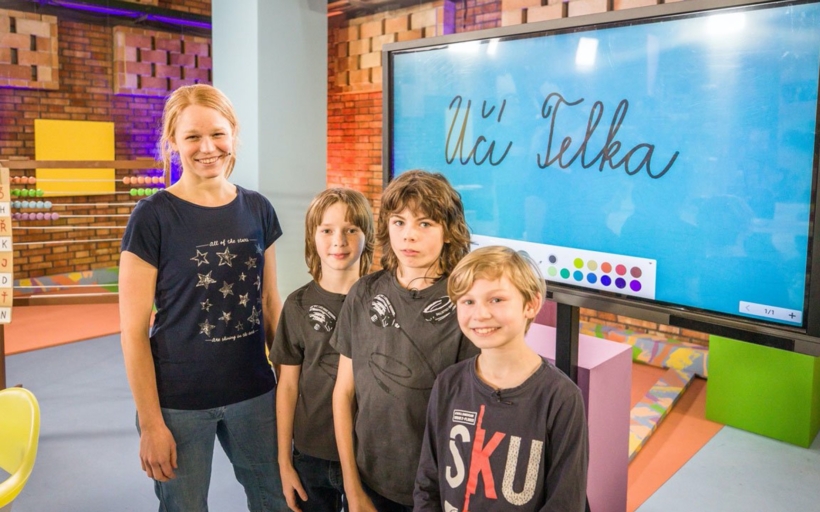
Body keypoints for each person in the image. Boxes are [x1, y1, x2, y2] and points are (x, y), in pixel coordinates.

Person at [119, 84, 287, 512]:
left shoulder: (258, 209)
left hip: (255, 394)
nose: (207, 147)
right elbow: (133, 332)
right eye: (192, 136)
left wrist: (289, 386)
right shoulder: (152, 217)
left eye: (217, 134)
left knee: (279, 501)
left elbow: (270, 304)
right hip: (179, 404)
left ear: (233, 135)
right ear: (173, 142)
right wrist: (151, 424)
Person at [331, 170, 479, 512]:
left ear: (448, 232)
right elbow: (343, 393)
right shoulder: (363, 293)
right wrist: (352, 488)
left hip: (440, 488)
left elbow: (473, 411)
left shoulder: (466, 303)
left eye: (424, 223)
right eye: (399, 222)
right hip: (370, 481)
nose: (409, 235)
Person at [414, 246, 589, 512]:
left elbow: (565, 502)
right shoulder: (448, 383)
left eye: (496, 299)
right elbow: (428, 482)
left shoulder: (561, 397)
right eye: (468, 301)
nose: (480, 314)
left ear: (531, 304)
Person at [271, 188, 375, 512]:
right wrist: (284, 462)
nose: (338, 241)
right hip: (311, 454)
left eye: (350, 230)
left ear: (367, 236)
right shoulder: (297, 305)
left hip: (371, 455)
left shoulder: (381, 301)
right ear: (312, 237)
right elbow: (288, 387)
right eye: (327, 230)